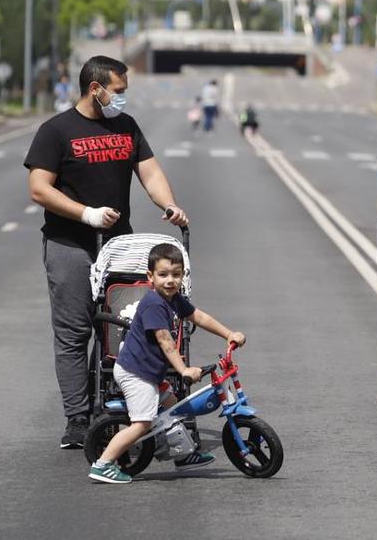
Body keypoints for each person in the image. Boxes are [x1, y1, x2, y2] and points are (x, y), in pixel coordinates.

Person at [24, 55, 191, 450]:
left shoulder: (126, 127)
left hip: (119, 247)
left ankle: (116, 405)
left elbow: (149, 172)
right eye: (118, 91)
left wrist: (168, 204)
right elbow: (38, 188)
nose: (123, 99)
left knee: (122, 328)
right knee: (74, 332)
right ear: (95, 89)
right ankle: (78, 419)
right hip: (70, 244)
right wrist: (86, 214)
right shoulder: (56, 131)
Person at [88, 243, 246, 484]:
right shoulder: (153, 304)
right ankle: (103, 464)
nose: (170, 281)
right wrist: (183, 370)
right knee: (142, 423)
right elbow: (165, 340)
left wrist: (228, 333)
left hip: (149, 372)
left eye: (176, 274)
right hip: (135, 373)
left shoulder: (174, 299)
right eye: (163, 275)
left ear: (183, 275)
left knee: (174, 407)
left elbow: (199, 317)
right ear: (150, 277)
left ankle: (181, 455)